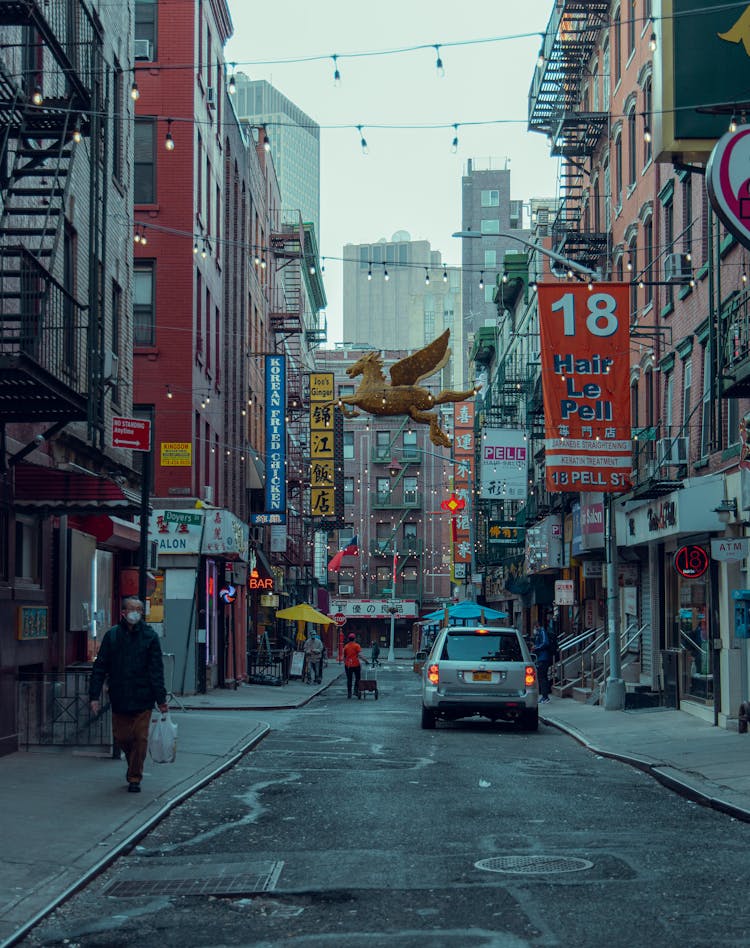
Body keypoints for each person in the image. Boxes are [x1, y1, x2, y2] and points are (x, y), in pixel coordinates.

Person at [89, 597, 168, 793]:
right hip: (120, 696)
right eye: (132, 609)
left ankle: (134, 777)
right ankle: (134, 761)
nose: (135, 613)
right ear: (123, 612)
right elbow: (100, 667)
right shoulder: (113, 636)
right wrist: (94, 695)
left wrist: (161, 699)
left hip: (143, 697)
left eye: (139, 610)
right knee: (122, 737)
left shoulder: (149, 636)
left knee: (141, 738)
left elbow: (156, 670)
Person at [532, 618, 552, 704]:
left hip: (543, 658)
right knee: (542, 677)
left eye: (535, 627)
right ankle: (544, 696)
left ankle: (545, 696)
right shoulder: (539, 633)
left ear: (537, 626)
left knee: (542, 677)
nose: (534, 630)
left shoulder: (542, 632)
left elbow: (545, 643)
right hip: (540, 657)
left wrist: (536, 648)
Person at [343, 631, 368, 699]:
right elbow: (359, 655)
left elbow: (344, 656)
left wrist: (345, 663)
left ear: (348, 639)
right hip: (356, 664)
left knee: (349, 679)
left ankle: (349, 693)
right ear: (354, 639)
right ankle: (355, 690)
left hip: (348, 665)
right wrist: (366, 661)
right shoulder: (357, 645)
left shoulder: (346, 646)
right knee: (357, 678)